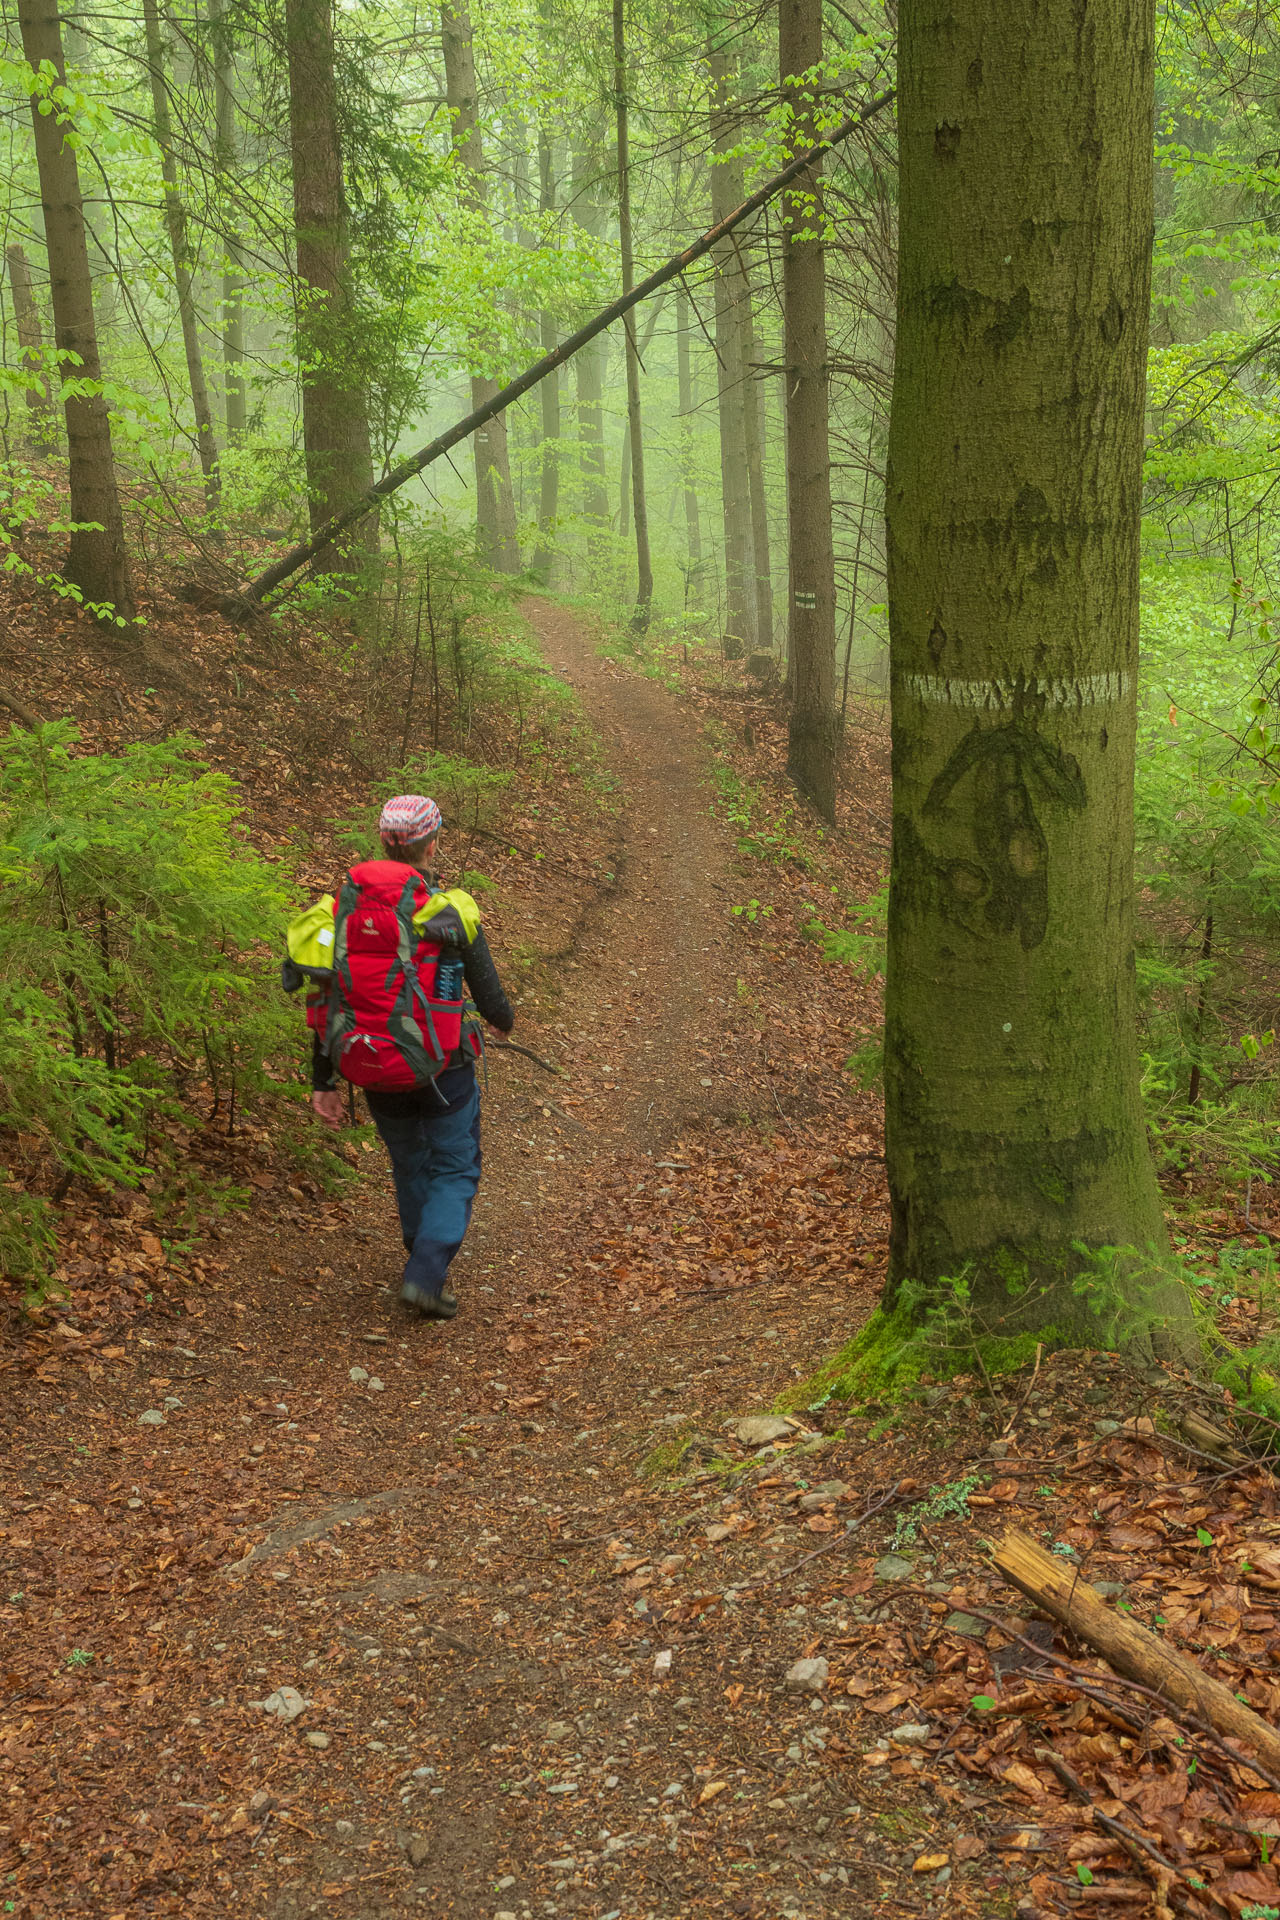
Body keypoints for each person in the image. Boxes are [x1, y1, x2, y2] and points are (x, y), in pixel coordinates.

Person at [291, 794, 514, 1319]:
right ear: (430, 844)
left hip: (370, 1063)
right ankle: (426, 1273)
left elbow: (324, 1000)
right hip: (442, 1064)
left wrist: (322, 1082)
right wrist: (503, 1022)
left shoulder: (337, 912)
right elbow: (489, 993)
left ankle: (421, 1258)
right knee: (456, 1165)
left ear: (383, 841)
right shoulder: (446, 909)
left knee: (408, 1159)